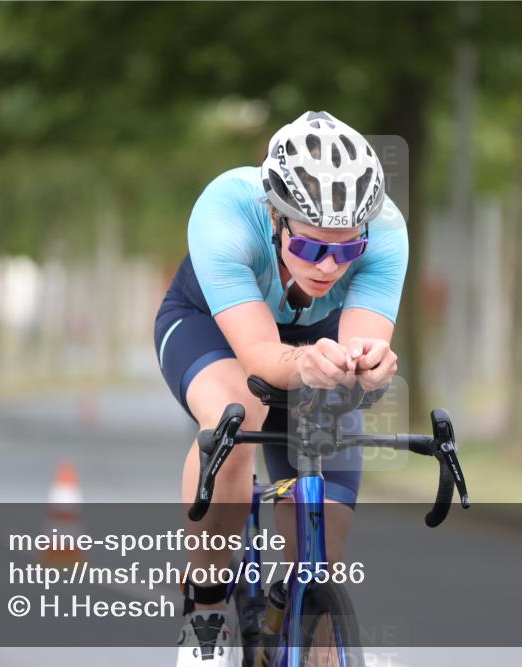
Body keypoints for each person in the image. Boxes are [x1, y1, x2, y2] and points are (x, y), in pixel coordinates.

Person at [154, 110, 408, 666]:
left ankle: (291, 615)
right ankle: (205, 609)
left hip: (314, 338)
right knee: (234, 413)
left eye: (347, 251)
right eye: (314, 248)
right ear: (276, 218)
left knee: (321, 555)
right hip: (214, 327)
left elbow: (362, 347)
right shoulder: (226, 209)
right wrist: (307, 364)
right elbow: (261, 358)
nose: (330, 267)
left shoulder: (385, 230)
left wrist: (371, 366)